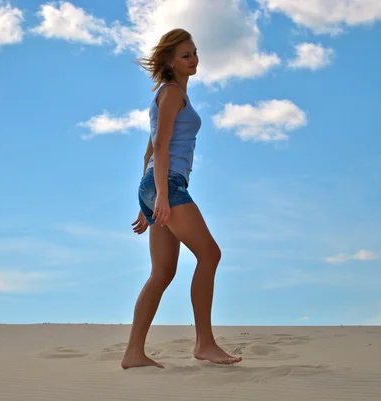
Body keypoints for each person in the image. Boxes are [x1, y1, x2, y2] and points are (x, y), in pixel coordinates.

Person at [121, 28, 243, 369]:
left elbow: (148, 152)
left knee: (162, 272)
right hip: (168, 186)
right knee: (210, 254)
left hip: (157, 186)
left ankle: (133, 353)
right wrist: (159, 195)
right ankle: (204, 343)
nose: (194, 60)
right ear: (170, 62)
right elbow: (159, 149)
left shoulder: (165, 96)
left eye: (195, 53)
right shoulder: (172, 93)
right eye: (186, 55)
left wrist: (146, 203)